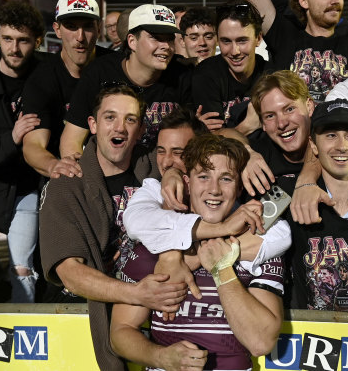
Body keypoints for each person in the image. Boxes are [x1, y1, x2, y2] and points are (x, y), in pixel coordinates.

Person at [40, 85, 188, 371]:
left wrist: (172, 170)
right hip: (81, 315)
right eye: (110, 117)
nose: (119, 127)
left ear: (141, 128)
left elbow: (206, 152)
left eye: (130, 119)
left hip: (153, 312)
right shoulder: (67, 184)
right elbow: (70, 273)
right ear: (93, 125)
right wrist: (136, 294)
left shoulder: (153, 165)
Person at [112, 134, 285, 370]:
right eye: (203, 177)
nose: (214, 190)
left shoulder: (262, 243)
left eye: (226, 178)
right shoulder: (154, 243)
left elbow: (260, 342)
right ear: (187, 182)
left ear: (239, 186)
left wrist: (222, 269)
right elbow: (121, 332)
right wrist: (160, 357)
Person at [0, 0, 45, 303]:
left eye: (23, 40)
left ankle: (22, 338)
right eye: (7, 39)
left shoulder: (45, 76)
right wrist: (11, 137)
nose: (14, 48)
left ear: (37, 41)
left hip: (24, 188)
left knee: (23, 270)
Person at [59, 3, 192, 158]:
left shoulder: (183, 75)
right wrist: (83, 177)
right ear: (132, 41)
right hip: (109, 172)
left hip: (163, 172)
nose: (165, 46)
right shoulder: (100, 72)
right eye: (155, 38)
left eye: (169, 39)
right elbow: (71, 140)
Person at [281, 99, 348, 311]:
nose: (342, 146)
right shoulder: (285, 190)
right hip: (310, 335)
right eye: (330, 135)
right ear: (313, 145)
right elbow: (246, 232)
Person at [22, 0, 110, 181]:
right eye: (71, 27)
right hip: (63, 177)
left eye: (87, 27)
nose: (80, 37)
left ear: (99, 29)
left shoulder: (114, 67)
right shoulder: (42, 78)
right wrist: (53, 165)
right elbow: (32, 144)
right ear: (57, 29)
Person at [192, 1, 267, 135]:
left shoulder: (269, 75)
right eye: (226, 41)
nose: (234, 51)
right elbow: (213, 143)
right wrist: (246, 127)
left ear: (258, 38)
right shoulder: (205, 75)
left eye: (242, 40)